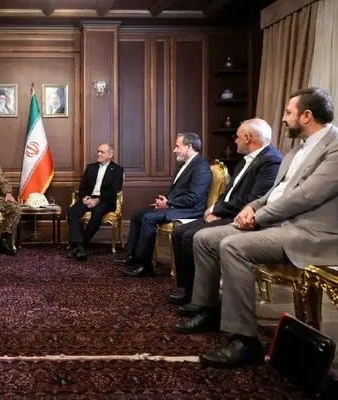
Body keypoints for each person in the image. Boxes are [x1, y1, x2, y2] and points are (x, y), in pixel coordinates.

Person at [175, 87, 338, 369]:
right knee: (204, 238)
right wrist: (252, 208)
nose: (284, 119)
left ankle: (245, 341)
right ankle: (209, 310)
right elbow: (275, 192)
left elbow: (306, 197)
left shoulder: (334, 148)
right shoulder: (297, 150)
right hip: (276, 222)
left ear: (307, 116)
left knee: (232, 246)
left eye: (288, 112)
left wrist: (259, 217)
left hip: (307, 232)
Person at [168, 119, 282, 305]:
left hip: (241, 217)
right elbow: (228, 193)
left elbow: (253, 200)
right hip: (227, 212)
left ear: (247, 138)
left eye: (237, 137)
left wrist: (217, 209)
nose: (234, 141)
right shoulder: (245, 161)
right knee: (179, 232)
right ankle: (186, 288)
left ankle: (197, 294)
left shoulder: (271, 161)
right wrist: (215, 208)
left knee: (190, 236)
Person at [117, 132, 212, 277]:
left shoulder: (201, 166)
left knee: (148, 218)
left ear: (189, 147)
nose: (174, 150)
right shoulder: (183, 165)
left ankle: (145, 265)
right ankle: (132, 256)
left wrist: (169, 203)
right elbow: (181, 192)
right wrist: (165, 202)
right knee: (137, 214)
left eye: (177, 146)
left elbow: (195, 197)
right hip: (178, 206)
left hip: (191, 210)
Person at [67, 143, 123, 260]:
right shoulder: (90, 167)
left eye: (102, 152)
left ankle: (80, 245)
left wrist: (97, 200)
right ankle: (78, 246)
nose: (98, 154)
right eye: (98, 151)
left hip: (105, 200)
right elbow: (82, 187)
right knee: (72, 211)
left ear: (110, 155)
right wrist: (84, 197)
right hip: (88, 198)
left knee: (97, 212)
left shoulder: (117, 170)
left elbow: (114, 190)